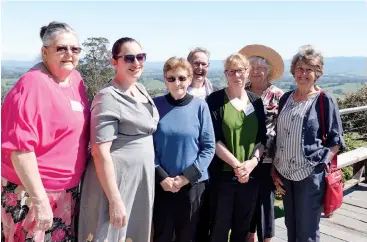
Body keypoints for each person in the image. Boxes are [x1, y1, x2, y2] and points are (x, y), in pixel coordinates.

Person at [1, 21, 90, 241]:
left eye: (74, 49)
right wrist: (40, 202)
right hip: (33, 194)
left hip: (67, 192)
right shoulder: (31, 86)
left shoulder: (75, 79)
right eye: (61, 48)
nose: (69, 54)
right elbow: (20, 151)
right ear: (44, 52)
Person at [78, 37, 159, 242]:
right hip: (116, 182)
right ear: (114, 62)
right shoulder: (108, 97)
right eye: (129, 58)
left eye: (140, 57)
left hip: (139, 179)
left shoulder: (140, 89)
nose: (136, 63)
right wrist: (115, 200)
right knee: (110, 233)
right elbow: (99, 151)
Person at [271, 45, 346, 242]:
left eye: (309, 69)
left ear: (317, 73)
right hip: (285, 174)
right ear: (293, 71)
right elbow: (279, 135)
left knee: (308, 231)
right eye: (300, 68)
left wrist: (319, 166)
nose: (303, 73)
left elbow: (336, 140)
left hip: (309, 175)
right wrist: (274, 168)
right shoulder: (286, 98)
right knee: (291, 227)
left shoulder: (324, 100)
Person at [152, 57, 215, 242]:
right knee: (162, 235)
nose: (177, 83)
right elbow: (147, 146)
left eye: (181, 78)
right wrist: (162, 177)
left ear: (189, 79)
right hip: (162, 184)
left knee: (189, 237)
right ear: (165, 79)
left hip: (192, 186)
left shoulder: (200, 107)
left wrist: (186, 177)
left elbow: (209, 147)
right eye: (171, 78)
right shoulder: (155, 106)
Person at [206, 53, 267, 242]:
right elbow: (212, 139)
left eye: (240, 70)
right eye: (231, 71)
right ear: (226, 74)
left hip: (250, 175)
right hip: (223, 175)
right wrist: (237, 165)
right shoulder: (215, 100)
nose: (236, 76)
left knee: (242, 227)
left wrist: (251, 163)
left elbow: (262, 139)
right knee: (219, 228)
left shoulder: (256, 101)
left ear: (247, 72)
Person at [239, 44, 285, 242]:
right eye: (252, 67)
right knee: (247, 201)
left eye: (260, 67)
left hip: (268, 158)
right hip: (244, 157)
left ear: (268, 71)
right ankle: (250, 236)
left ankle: (266, 238)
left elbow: (284, 129)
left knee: (265, 201)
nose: (256, 71)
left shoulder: (277, 95)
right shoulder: (241, 92)